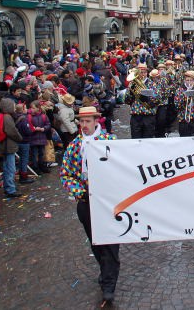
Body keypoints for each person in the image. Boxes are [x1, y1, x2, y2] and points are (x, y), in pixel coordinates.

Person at [59, 106, 119, 305]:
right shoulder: (74, 145)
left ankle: (109, 285)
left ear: (96, 121)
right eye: (81, 122)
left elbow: (123, 169)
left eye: (87, 121)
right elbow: (65, 174)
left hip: (108, 202)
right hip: (86, 202)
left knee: (110, 244)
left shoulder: (110, 142)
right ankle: (105, 270)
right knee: (96, 243)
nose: (83, 125)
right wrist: (80, 191)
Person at [0, 98, 23, 198]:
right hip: (9, 146)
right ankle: (10, 189)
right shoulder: (7, 117)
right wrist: (19, 137)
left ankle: (8, 187)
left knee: (7, 167)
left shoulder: (5, 116)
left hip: (6, 145)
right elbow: (11, 131)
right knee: (10, 168)